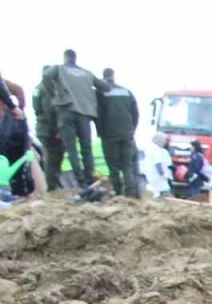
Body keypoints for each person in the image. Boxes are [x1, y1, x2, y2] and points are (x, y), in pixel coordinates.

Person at [43, 49, 109, 188]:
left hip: (66, 110)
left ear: (65, 57)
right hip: (85, 113)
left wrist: (53, 95)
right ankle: (89, 178)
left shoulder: (59, 68)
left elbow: (46, 75)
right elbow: (104, 87)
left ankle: (80, 181)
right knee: (86, 148)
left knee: (71, 148)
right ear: (75, 58)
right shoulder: (87, 73)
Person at [97, 68, 140, 198]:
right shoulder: (126, 92)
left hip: (109, 135)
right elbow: (135, 113)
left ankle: (117, 192)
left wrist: (100, 131)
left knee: (113, 165)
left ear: (103, 77)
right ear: (113, 76)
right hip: (127, 134)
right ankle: (131, 193)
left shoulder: (100, 92)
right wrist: (131, 129)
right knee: (127, 165)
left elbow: (98, 114)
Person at [32, 68, 63, 191]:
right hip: (49, 129)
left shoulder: (37, 88)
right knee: (53, 157)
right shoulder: (46, 89)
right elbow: (49, 110)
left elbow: (37, 109)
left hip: (42, 127)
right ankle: (52, 185)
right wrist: (57, 130)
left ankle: (53, 183)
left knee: (51, 156)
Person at [140, 132, 171, 198]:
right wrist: (163, 175)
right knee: (163, 194)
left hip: (147, 176)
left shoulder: (148, 147)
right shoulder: (156, 149)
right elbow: (158, 164)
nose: (165, 142)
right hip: (156, 177)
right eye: (164, 140)